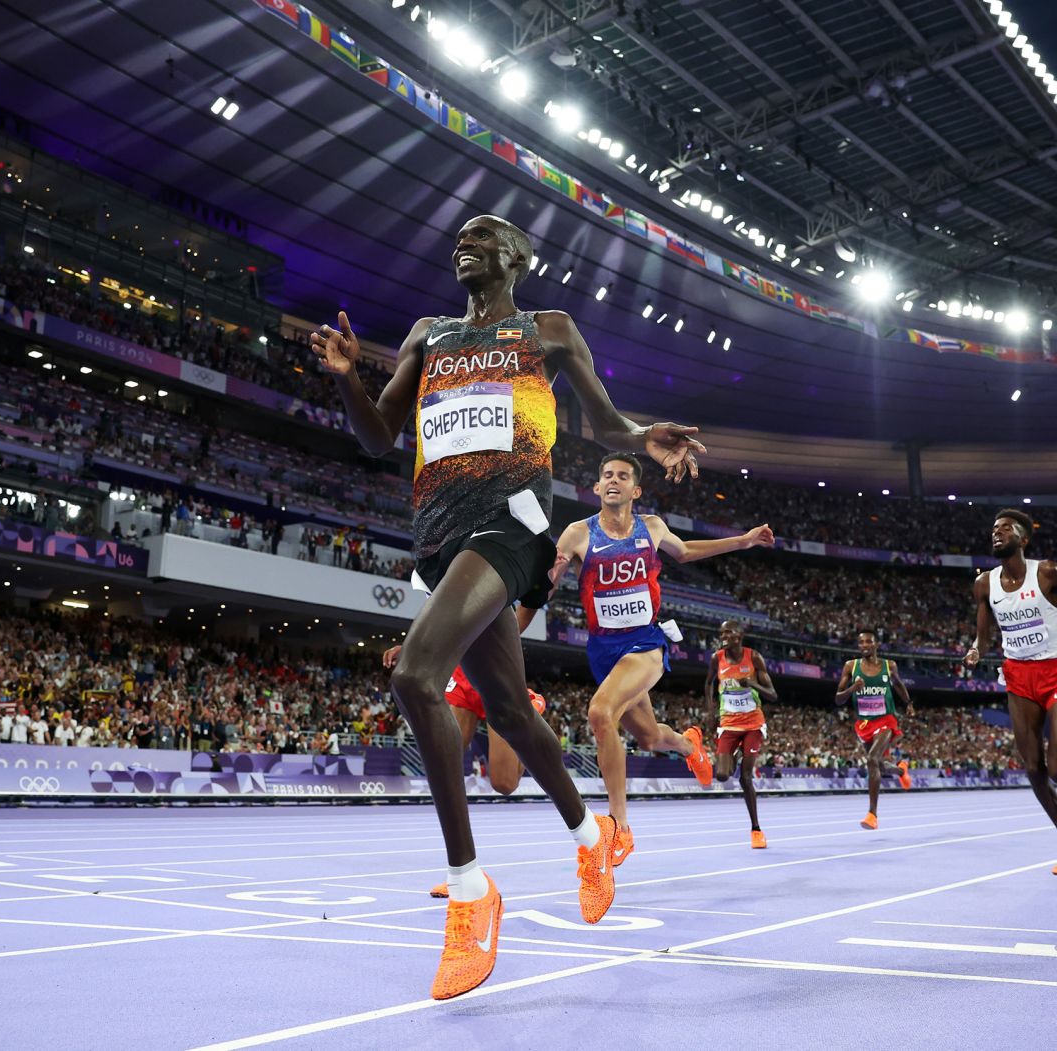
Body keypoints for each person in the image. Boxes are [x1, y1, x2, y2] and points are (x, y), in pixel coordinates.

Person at [312, 213, 705, 999]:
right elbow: (376, 435)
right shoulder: (428, 334)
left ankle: (470, 891)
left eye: (484, 236)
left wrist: (642, 432)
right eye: (459, 236)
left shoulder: (548, 328)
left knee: (417, 676)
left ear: (518, 258)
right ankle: (593, 835)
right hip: (441, 536)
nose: (466, 243)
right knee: (510, 712)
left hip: (516, 520)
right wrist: (348, 377)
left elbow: (602, 422)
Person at [550, 452, 771, 866]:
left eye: (623, 476)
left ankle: (619, 828)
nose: (613, 480)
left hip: (645, 643)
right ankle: (689, 745)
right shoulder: (577, 535)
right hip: (603, 651)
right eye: (606, 475)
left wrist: (743, 540)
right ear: (597, 488)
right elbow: (544, 590)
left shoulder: (651, 527)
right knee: (650, 738)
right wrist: (550, 573)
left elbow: (685, 552)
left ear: (636, 490)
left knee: (600, 713)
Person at [963, 509, 1057, 876]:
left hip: (1055, 674)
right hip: (1017, 677)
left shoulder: (1046, 571)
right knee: (1033, 769)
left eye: (1004, 529)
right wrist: (977, 649)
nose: (996, 534)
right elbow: (983, 632)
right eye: (992, 530)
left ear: (1023, 538)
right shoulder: (985, 583)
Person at [382, 627, 548, 897]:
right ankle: (460, 871)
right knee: (445, 761)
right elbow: (444, 614)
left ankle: (529, 707)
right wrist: (412, 649)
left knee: (504, 783)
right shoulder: (444, 583)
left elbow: (520, 616)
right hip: (462, 675)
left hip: (498, 670)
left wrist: (493, 637)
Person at [705, 621, 778, 848]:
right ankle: (735, 753)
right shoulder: (717, 658)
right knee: (722, 776)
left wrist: (753, 684)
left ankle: (756, 829)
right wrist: (710, 710)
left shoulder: (754, 658)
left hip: (753, 724)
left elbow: (773, 695)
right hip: (728, 723)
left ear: (740, 635)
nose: (723, 635)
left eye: (728, 632)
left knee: (745, 778)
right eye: (721, 632)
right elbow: (708, 683)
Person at [834, 629, 914, 829]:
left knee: (871, 760)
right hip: (864, 723)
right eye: (861, 643)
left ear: (876, 645)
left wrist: (908, 703)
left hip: (886, 720)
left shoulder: (889, 665)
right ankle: (901, 770)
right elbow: (838, 699)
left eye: (868, 642)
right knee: (879, 764)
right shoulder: (851, 667)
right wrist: (853, 688)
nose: (864, 646)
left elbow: (898, 684)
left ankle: (872, 814)